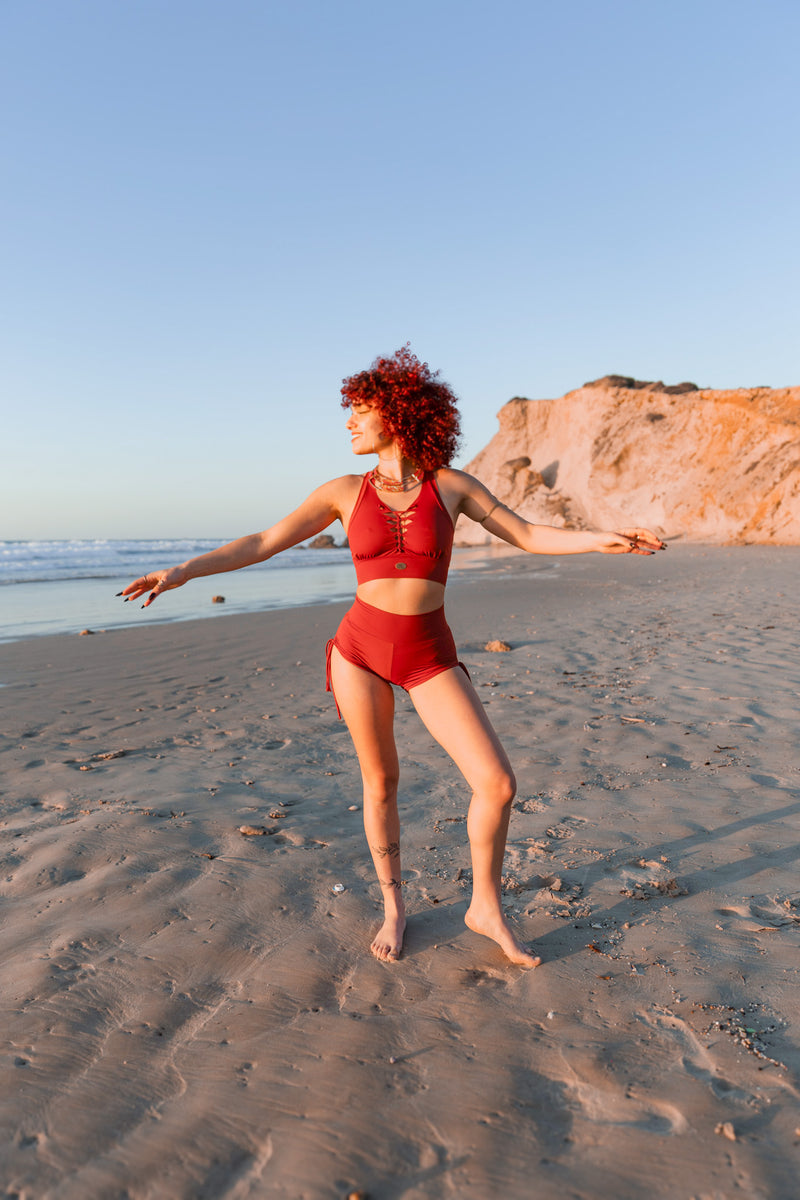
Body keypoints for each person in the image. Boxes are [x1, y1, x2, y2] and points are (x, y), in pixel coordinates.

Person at [120, 347, 665, 968]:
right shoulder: (343, 491)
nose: (349, 423)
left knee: (497, 782)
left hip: (429, 653)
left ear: (399, 413)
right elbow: (265, 541)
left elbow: (529, 534)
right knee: (381, 783)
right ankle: (394, 907)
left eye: (360, 411)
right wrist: (185, 570)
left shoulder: (451, 486)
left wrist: (606, 539)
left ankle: (484, 906)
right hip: (360, 651)